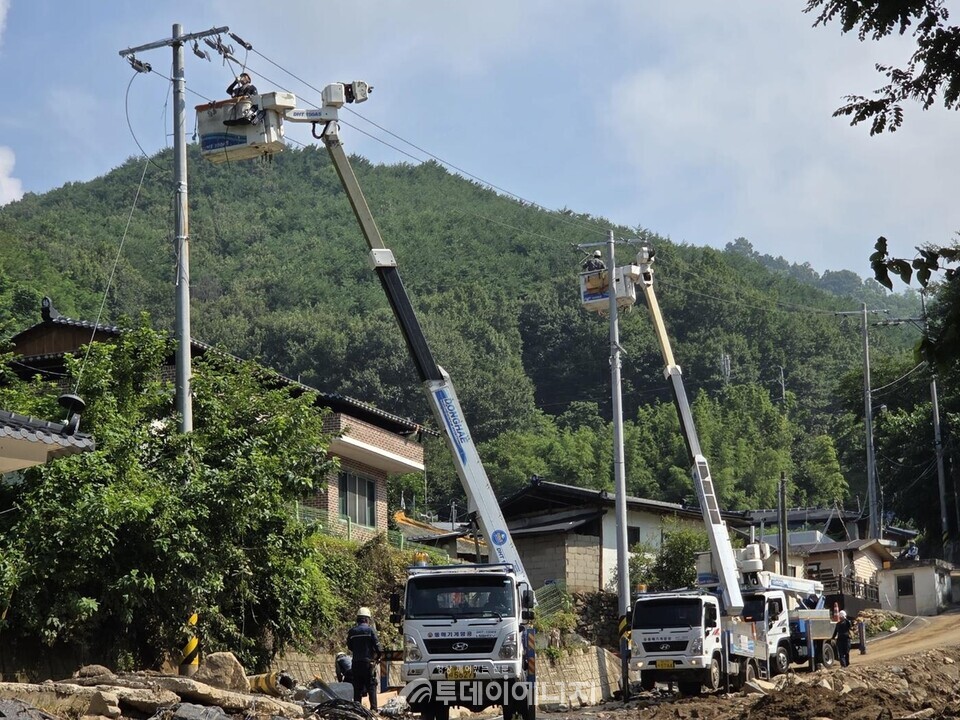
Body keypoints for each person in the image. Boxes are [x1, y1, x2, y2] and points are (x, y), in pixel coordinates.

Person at [346, 606, 383, 709]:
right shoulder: (370, 630)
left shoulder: (352, 631)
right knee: (371, 685)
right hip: (368, 663)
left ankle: (357, 709)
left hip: (356, 663)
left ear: (358, 619)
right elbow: (378, 647)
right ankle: (374, 709)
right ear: (367, 619)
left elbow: (350, 646)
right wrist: (378, 657)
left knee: (357, 687)